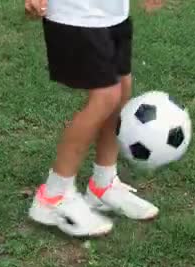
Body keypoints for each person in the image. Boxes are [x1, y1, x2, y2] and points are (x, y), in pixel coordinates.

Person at [26, 0, 164, 237]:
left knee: (121, 88)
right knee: (105, 97)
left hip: (112, 12)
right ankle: (53, 195)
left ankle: (104, 184)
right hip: (76, 14)